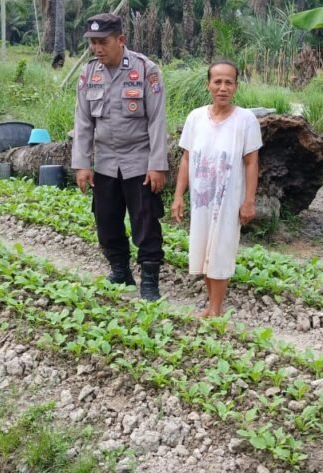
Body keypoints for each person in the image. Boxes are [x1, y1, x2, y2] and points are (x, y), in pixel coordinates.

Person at [71, 13, 168, 300]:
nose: (97, 49)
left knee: (146, 221)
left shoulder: (146, 70)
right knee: (106, 219)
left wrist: (157, 165)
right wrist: (81, 164)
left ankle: (149, 280)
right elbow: (83, 121)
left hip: (139, 161)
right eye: (93, 43)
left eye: (103, 42)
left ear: (120, 40)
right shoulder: (89, 73)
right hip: (105, 163)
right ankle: (120, 270)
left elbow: (157, 121)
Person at [171, 60, 261, 317]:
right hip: (201, 200)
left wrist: (249, 200)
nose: (223, 88)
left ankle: (216, 309)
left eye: (228, 82)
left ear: (236, 86)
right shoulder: (196, 118)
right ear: (208, 84)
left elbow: (252, 162)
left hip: (229, 200)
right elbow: (187, 159)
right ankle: (211, 305)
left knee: (221, 249)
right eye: (217, 82)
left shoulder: (246, 120)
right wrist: (179, 196)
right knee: (202, 248)